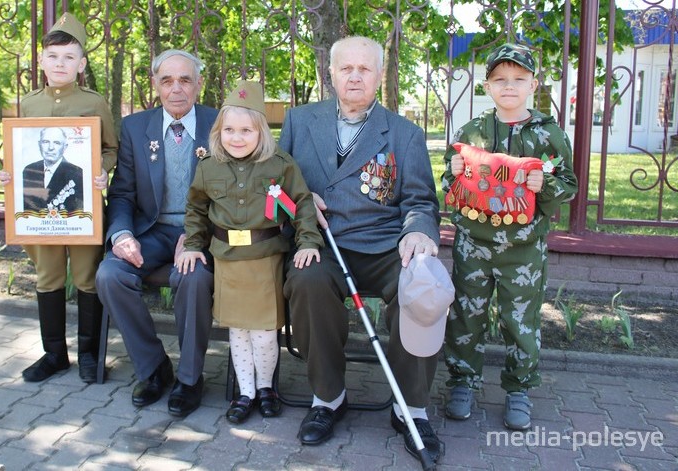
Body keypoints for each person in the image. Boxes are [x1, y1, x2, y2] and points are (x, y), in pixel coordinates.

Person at [278, 36, 444, 464]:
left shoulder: (404, 133)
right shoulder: (298, 121)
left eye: (364, 69)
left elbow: (421, 201)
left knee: (423, 286)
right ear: (330, 73)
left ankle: (412, 407)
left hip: (386, 244)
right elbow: (273, 186)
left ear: (379, 76)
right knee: (306, 280)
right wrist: (297, 202)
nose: (354, 76)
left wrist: (419, 232)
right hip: (324, 242)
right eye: (345, 68)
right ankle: (328, 398)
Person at [441, 43, 578, 431]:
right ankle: (463, 381)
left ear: (533, 84)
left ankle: (518, 388)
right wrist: (452, 170)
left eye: (519, 79)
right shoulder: (474, 131)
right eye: (500, 79)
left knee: (521, 321)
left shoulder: (548, 135)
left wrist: (545, 183)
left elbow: (568, 184)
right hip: (474, 243)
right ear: (487, 86)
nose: (509, 87)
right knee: (467, 315)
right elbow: (451, 183)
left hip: (523, 248)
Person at [176, 80, 323, 424]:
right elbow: (195, 210)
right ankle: (245, 393)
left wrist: (308, 242)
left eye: (246, 130)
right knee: (238, 331)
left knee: (263, 331)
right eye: (229, 129)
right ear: (218, 131)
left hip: (265, 258)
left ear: (261, 133)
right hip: (228, 260)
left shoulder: (280, 165)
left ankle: (266, 388)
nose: (237, 137)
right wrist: (193, 246)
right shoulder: (208, 166)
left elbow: (302, 204)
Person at [94, 49, 218, 418]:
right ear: (156, 85)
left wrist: (196, 236)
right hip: (152, 230)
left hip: (203, 233)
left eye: (184, 79)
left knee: (192, 277)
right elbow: (122, 194)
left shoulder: (220, 124)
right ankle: (153, 368)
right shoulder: (135, 128)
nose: (176, 88)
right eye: (167, 80)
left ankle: (191, 377)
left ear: (199, 83)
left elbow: (235, 190)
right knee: (110, 274)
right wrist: (121, 236)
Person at [0, 12, 118, 384]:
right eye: (53, 56)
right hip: (38, 211)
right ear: (41, 61)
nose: (60, 63)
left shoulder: (94, 102)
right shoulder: (28, 103)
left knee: (86, 278)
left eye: (69, 57)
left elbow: (112, 149)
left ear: (81, 63)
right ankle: (53, 355)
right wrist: (7, 175)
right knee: (47, 277)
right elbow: (17, 154)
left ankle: (87, 354)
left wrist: (102, 169)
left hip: (82, 209)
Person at [22, 126, 84, 213]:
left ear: (65, 147)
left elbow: (79, 210)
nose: (51, 148)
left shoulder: (77, 173)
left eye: (57, 143)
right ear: (39, 144)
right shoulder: (29, 170)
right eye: (46, 142)